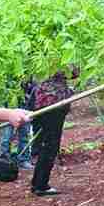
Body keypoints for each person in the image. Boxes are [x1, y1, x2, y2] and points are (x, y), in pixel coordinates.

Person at [30, 67, 78, 197]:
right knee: (51, 145)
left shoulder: (43, 59)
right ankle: (41, 185)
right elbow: (74, 73)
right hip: (54, 106)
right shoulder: (62, 58)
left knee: (47, 144)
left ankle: (37, 183)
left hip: (42, 104)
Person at [0, 79, 36, 170]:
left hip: (23, 107)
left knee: (24, 135)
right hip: (7, 109)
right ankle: (4, 160)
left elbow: (32, 89)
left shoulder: (28, 76)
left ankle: (23, 160)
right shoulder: (5, 76)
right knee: (6, 136)